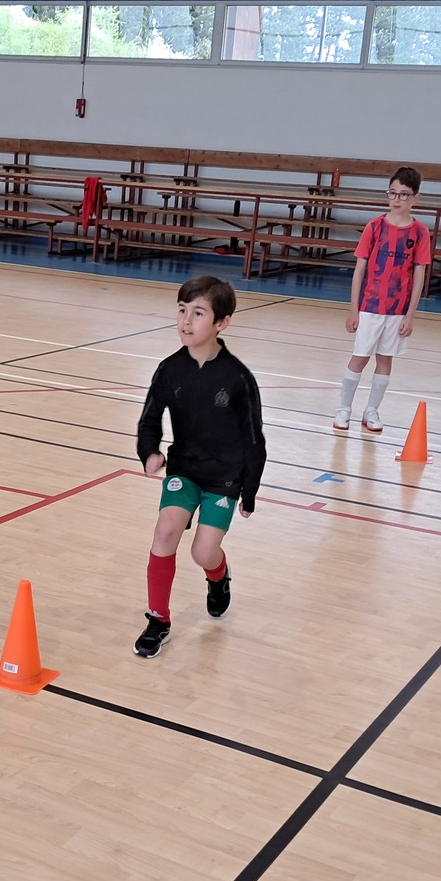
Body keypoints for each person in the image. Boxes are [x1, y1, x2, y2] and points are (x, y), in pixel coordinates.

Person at [133, 275, 266, 659]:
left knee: (203, 552)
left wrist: (249, 492)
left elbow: (254, 440)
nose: (186, 321)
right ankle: (158, 619)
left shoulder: (238, 378)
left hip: (225, 477)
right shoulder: (169, 369)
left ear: (222, 322)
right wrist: (150, 453)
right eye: (181, 311)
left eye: (198, 313)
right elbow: (149, 420)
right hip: (184, 470)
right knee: (165, 532)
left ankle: (218, 577)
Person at [337, 166, 432, 435]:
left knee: (385, 359)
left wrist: (410, 315)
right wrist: (354, 309)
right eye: (392, 193)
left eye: (404, 194)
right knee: (360, 357)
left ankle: (372, 410)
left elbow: (419, 274)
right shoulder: (374, 227)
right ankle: (344, 408)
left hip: (397, 310)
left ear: (416, 198)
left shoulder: (420, 233)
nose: (397, 199)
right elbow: (359, 270)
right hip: (369, 307)